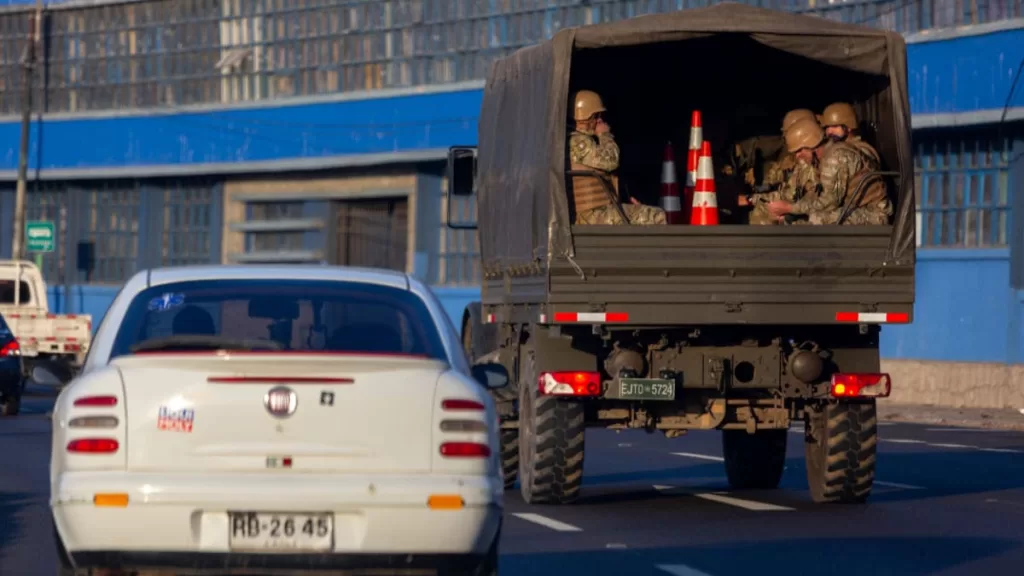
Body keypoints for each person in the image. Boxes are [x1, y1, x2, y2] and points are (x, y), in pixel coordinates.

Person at [766, 118, 892, 225]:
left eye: (800, 151)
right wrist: (791, 213)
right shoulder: (825, 157)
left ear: (811, 144)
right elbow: (816, 196)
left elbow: (829, 203)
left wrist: (790, 208)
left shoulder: (835, 157)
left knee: (814, 220)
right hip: (856, 209)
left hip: (874, 214)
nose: (798, 156)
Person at [568, 90, 666, 225]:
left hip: (596, 212)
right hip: (591, 215)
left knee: (640, 213)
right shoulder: (578, 141)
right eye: (597, 116)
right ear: (589, 116)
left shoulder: (577, 140)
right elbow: (611, 161)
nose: (599, 120)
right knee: (656, 216)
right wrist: (605, 135)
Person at [741, 114, 822, 225]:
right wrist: (752, 199)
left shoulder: (823, 163)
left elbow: (821, 203)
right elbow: (788, 193)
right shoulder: (800, 164)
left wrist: (789, 210)